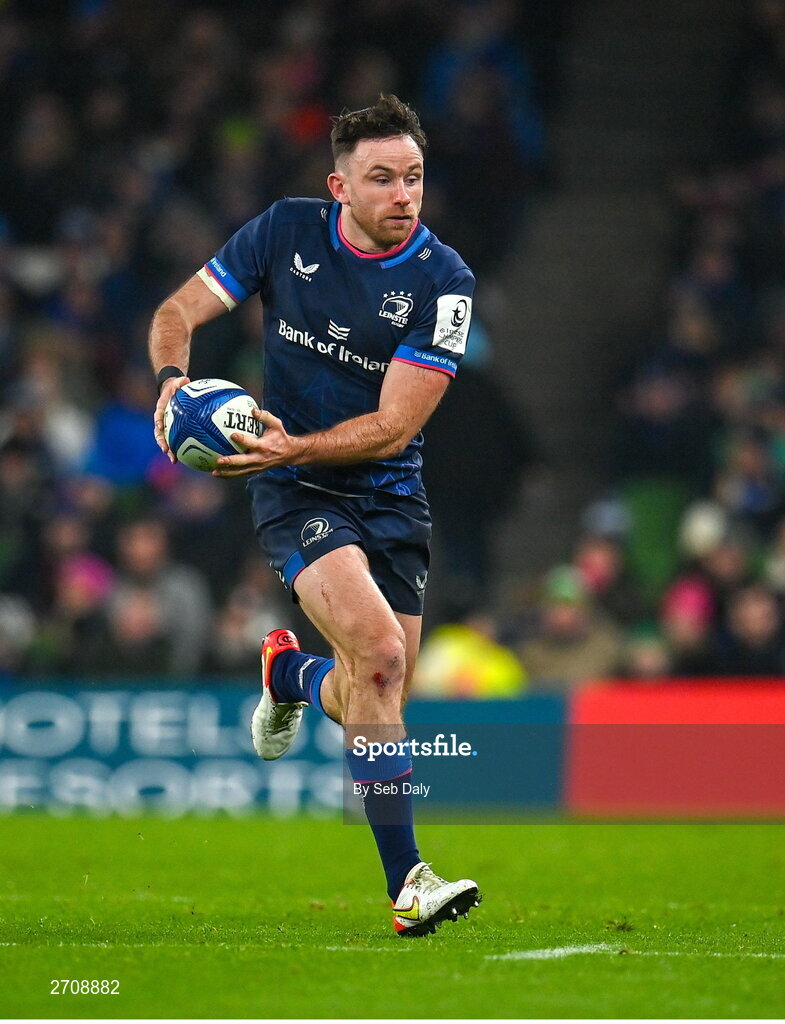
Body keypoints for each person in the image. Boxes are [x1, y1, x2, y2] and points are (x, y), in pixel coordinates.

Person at [149, 95, 480, 936]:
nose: (403, 194)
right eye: (382, 179)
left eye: (413, 177)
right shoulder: (282, 232)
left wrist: (294, 444)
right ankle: (408, 885)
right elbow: (176, 313)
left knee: (376, 684)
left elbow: (395, 426)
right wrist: (171, 383)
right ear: (340, 187)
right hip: (294, 488)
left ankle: (289, 677)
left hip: (387, 491)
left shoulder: (444, 282)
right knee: (378, 656)